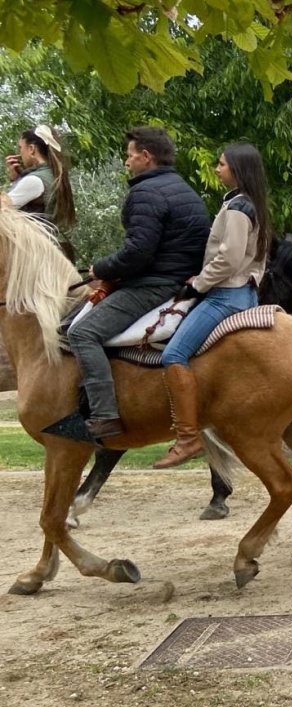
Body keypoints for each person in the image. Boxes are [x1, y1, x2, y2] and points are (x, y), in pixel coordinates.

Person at [67, 126, 210, 439]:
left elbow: (138, 252)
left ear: (146, 156)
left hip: (153, 284)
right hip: (177, 279)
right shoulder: (184, 189)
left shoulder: (146, 192)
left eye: (130, 155)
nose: (126, 161)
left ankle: (105, 415)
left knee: (82, 332)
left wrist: (101, 268)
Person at [154, 143, 273, 468]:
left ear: (237, 169)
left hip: (224, 296)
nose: (217, 169)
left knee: (173, 354)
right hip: (245, 293)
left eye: (221, 164)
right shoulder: (254, 204)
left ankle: (187, 437)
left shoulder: (237, 207)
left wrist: (198, 283)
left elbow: (229, 258)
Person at [4, 125, 77, 263]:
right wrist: (17, 179)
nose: (20, 153)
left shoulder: (34, 180)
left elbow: (3, 210)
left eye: (20, 148)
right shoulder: (52, 174)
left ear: (32, 149)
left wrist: (16, 182)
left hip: (33, 255)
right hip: (47, 250)